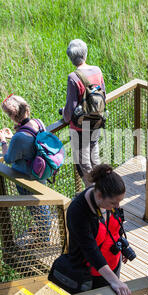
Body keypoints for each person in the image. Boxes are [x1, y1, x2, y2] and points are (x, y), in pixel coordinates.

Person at [66, 164, 132, 295]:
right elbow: (90, 250)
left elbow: (116, 226)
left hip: (112, 262)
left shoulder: (106, 199)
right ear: (99, 195)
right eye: (114, 203)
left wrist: (122, 246)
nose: (117, 206)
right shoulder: (78, 212)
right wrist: (115, 281)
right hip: (92, 272)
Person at [0, 94, 52, 241]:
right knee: (41, 201)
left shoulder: (20, 137)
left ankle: (44, 235)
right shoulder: (38, 122)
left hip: (26, 177)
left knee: (35, 206)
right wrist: (13, 136)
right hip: (40, 171)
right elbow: (30, 145)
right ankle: (43, 228)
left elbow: (8, 158)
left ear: (12, 115)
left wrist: (2, 141)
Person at [63, 39, 106, 187]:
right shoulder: (97, 71)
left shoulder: (73, 77)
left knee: (84, 163)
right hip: (96, 121)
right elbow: (104, 95)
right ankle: (103, 185)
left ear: (71, 58)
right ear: (85, 54)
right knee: (95, 156)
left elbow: (71, 109)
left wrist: (64, 115)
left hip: (80, 129)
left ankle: (94, 193)